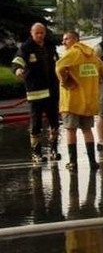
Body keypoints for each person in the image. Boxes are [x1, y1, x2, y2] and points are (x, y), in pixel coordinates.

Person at [55, 30, 103, 171]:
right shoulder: (92, 55)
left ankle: (73, 163)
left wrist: (65, 80)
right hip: (88, 101)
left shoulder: (71, 53)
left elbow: (59, 67)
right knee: (87, 130)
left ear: (74, 40)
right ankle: (92, 162)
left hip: (71, 101)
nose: (63, 42)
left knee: (70, 130)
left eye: (66, 39)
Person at [11, 22, 62, 162]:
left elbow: (58, 63)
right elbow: (17, 61)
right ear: (32, 33)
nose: (40, 35)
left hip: (51, 91)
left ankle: (53, 150)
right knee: (36, 124)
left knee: (54, 122)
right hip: (36, 93)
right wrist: (18, 70)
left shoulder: (50, 47)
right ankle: (36, 153)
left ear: (45, 33)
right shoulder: (26, 47)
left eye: (42, 33)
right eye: (37, 33)